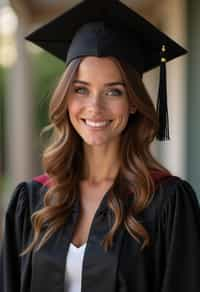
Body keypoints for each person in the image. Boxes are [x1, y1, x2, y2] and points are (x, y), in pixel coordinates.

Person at [0, 1, 200, 292]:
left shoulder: (166, 203)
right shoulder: (32, 202)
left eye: (113, 91)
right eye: (81, 89)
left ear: (133, 102)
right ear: (66, 98)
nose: (95, 107)